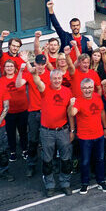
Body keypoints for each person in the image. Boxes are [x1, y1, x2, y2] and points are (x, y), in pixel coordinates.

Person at [31, 67, 74, 197]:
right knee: (47, 160)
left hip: (63, 130)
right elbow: (37, 81)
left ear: (62, 79)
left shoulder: (67, 91)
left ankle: (65, 183)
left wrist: (72, 130)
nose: (57, 80)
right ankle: (50, 185)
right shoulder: (45, 89)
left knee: (66, 159)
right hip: (47, 132)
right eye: (54, 78)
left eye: (59, 78)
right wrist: (34, 74)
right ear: (50, 79)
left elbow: (70, 113)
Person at [69, 77, 106, 193]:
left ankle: (101, 181)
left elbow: (102, 112)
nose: (87, 90)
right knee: (85, 161)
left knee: (100, 159)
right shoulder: (78, 100)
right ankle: (84, 183)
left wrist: (105, 128)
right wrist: (71, 104)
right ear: (81, 89)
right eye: (85, 88)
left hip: (99, 134)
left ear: (93, 88)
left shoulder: (97, 96)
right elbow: (72, 113)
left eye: (90, 87)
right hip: (85, 137)